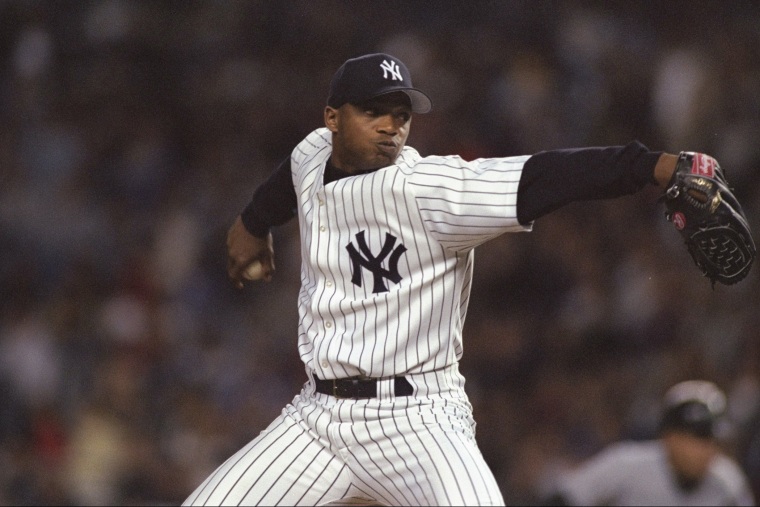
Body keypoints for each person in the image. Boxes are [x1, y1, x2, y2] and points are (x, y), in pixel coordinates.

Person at [183, 53, 735, 506]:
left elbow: (544, 175)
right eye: (373, 111)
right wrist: (253, 223)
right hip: (319, 417)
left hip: (419, 420)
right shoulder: (314, 152)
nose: (391, 125)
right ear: (332, 119)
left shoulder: (429, 190)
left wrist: (658, 166)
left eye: (401, 113)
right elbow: (291, 175)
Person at [547, 380, 756, 506]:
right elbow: (562, 499)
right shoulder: (627, 465)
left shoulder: (727, 482)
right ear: (669, 438)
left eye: (710, 440)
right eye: (695, 439)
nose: (705, 451)